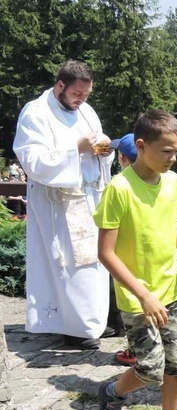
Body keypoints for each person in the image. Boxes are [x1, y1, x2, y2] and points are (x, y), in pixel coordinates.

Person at [93, 109, 177, 410]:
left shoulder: (173, 183)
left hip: (172, 292)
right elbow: (105, 253)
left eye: (176, 152)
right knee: (151, 368)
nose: (173, 159)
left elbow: (170, 226)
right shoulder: (119, 189)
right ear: (141, 146)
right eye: (166, 151)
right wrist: (142, 293)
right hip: (138, 298)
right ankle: (113, 393)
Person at [13, 59, 115, 349]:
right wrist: (76, 150)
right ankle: (76, 329)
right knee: (70, 264)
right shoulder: (36, 112)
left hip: (90, 198)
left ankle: (93, 321)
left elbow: (101, 151)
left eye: (86, 95)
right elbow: (32, 161)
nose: (81, 100)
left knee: (94, 262)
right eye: (76, 94)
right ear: (60, 86)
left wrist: (102, 149)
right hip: (58, 204)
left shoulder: (86, 112)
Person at [109, 133, 139, 366]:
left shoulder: (118, 186)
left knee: (131, 305)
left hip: (125, 258)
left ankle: (135, 350)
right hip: (151, 258)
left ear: (122, 159)